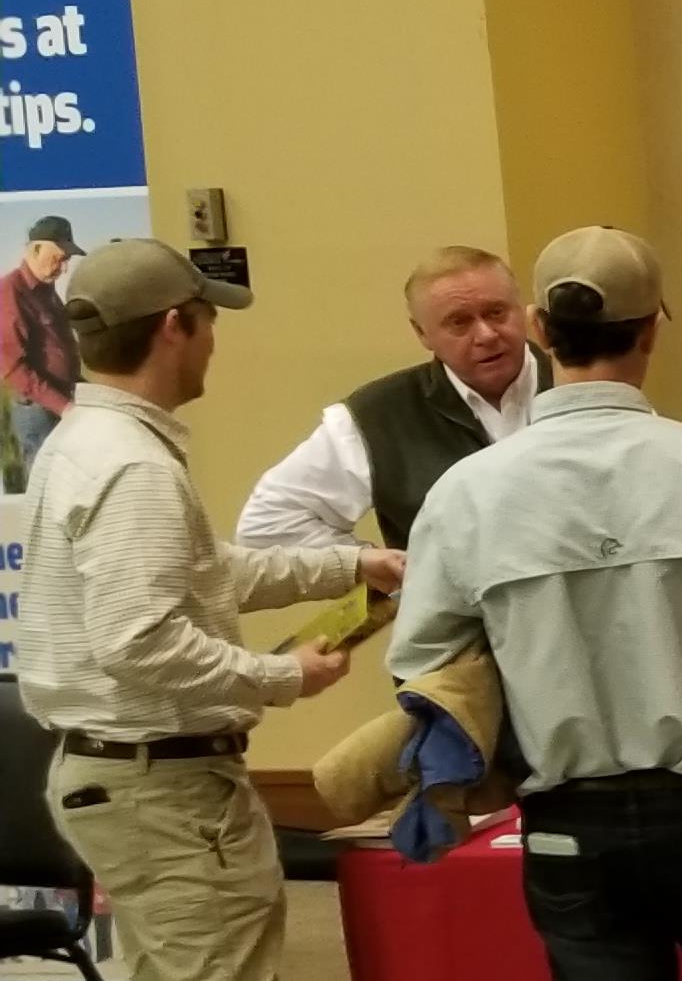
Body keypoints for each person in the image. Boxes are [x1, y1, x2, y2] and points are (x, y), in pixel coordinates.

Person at [388, 226, 682, 980]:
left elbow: (426, 672)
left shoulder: (465, 494)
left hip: (569, 826)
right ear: (652, 330)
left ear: (537, 329)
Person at [16, 238, 407, 981]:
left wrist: (351, 565)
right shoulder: (132, 466)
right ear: (174, 326)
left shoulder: (87, 441)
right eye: (207, 320)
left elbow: (203, 572)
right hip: (166, 794)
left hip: (134, 785)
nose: (213, 342)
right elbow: (138, 639)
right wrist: (277, 675)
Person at [235, 244, 551, 551]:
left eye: (496, 313)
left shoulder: (583, 383)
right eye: (459, 322)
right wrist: (374, 566)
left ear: (522, 310)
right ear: (422, 333)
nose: (486, 335)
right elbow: (266, 525)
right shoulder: (380, 416)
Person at [1, 216, 84, 475]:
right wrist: (64, 406)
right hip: (38, 411)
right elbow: (13, 368)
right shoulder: (10, 293)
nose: (64, 268)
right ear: (36, 249)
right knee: (46, 488)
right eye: (59, 258)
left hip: (60, 403)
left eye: (66, 260)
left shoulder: (46, 291)